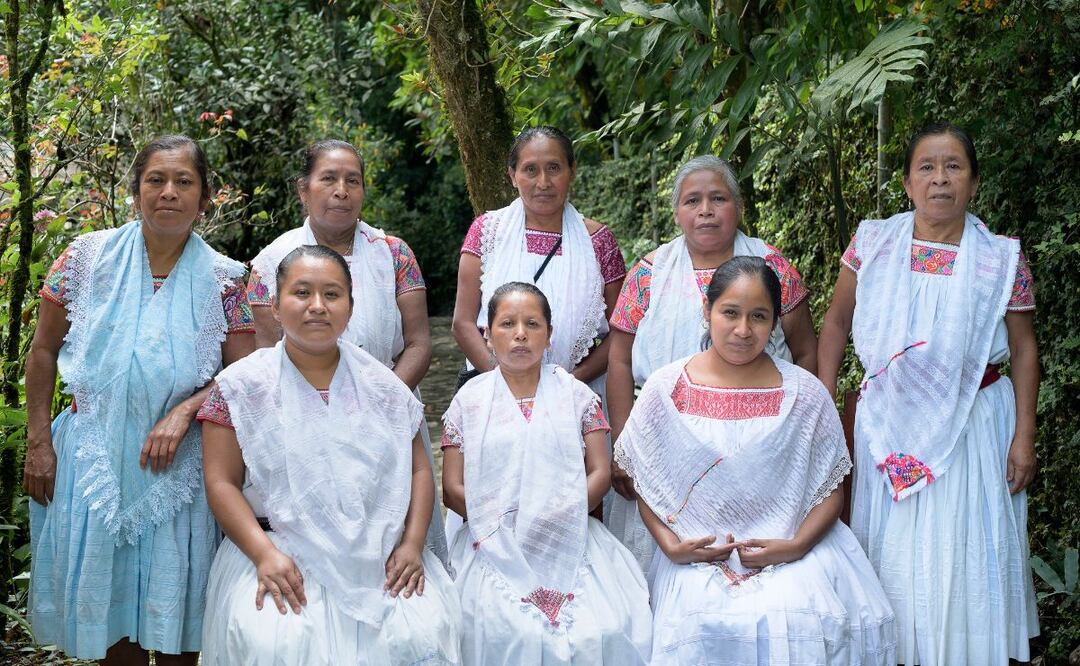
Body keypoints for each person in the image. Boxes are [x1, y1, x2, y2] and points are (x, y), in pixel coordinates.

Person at [23, 135, 255, 664]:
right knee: (111, 631)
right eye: (156, 180)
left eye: (184, 182)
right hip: (93, 462)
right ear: (136, 191)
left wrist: (185, 411)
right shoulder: (84, 260)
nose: (169, 192)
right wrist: (39, 443)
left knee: (176, 632)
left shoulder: (226, 281)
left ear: (204, 198)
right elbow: (43, 351)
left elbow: (243, 377)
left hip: (180, 472)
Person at [818, 121, 1039, 665]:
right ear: (907, 182)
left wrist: (1024, 436)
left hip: (973, 426)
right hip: (886, 424)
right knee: (894, 546)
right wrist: (822, 403)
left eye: (953, 167)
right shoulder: (872, 243)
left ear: (974, 182)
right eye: (927, 167)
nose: (940, 178)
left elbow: (1024, 348)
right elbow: (837, 322)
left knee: (964, 544)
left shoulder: (1000, 260)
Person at [616, 256, 896, 665]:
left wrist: (795, 546)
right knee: (697, 622)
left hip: (797, 551)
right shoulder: (666, 389)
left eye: (759, 316)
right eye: (730, 312)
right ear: (707, 310)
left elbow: (831, 491)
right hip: (695, 559)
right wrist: (671, 547)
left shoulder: (805, 393)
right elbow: (647, 482)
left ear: (776, 322)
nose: (743, 330)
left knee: (798, 615)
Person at [199, 245, 461, 665]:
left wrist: (413, 544)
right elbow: (221, 482)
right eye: (302, 292)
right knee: (276, 642)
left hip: (378, 548)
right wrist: (265, 555)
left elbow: (417, 471)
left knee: (419, 633)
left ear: (350, 308)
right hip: (276, 548)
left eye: (332, 294)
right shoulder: (241, 388)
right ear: (275, 307)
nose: (317, 306)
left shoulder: (384, 387)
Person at [605, 155, 817, 573]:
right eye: (692, 201)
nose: (706, 210)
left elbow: (806, 350)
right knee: (663, 567)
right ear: (676, 212)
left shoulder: (772, 267)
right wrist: (626, 448)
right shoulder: (648, 274)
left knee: (756, 565)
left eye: (718, 198)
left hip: (761, 449)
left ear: (738, 207)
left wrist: (802, 432)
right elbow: (619, 360)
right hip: (663, 448)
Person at [246, 139, 447, 564]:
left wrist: (378, 402)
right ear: (303, 189)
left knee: (394, 547)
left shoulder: (394, 254)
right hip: (303, 425)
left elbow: (418, 343)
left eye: (352, 181)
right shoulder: (270, 263)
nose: (342, 191)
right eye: (329, 179)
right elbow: (265, 359)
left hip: (389, 416)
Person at [442, 281, 651, 664]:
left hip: (570, 529)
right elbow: (452, 487)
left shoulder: (577, 395)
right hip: (491, 537)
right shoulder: (468, 401)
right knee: (496, 625)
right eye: (507, 324)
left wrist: (560, 515)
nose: (520, 334)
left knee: (600, 628)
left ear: (549, 334)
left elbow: (599, 471)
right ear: (488, 334)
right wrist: (498, 520)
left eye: (533, 324)